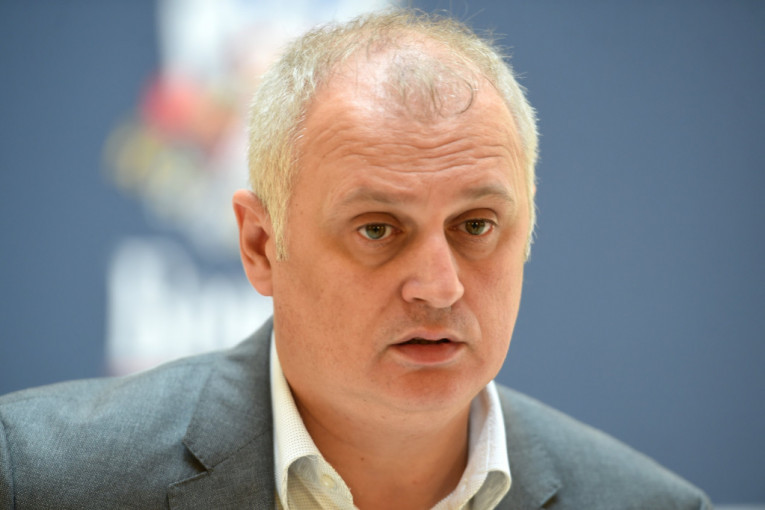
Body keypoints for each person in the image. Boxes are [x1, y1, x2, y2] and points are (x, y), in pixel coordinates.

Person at [0, 9, 712, 510]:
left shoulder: (650, 504)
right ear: (260, 246)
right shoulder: (38, 480)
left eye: (475, 225)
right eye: (377, 229)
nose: (439, 287)